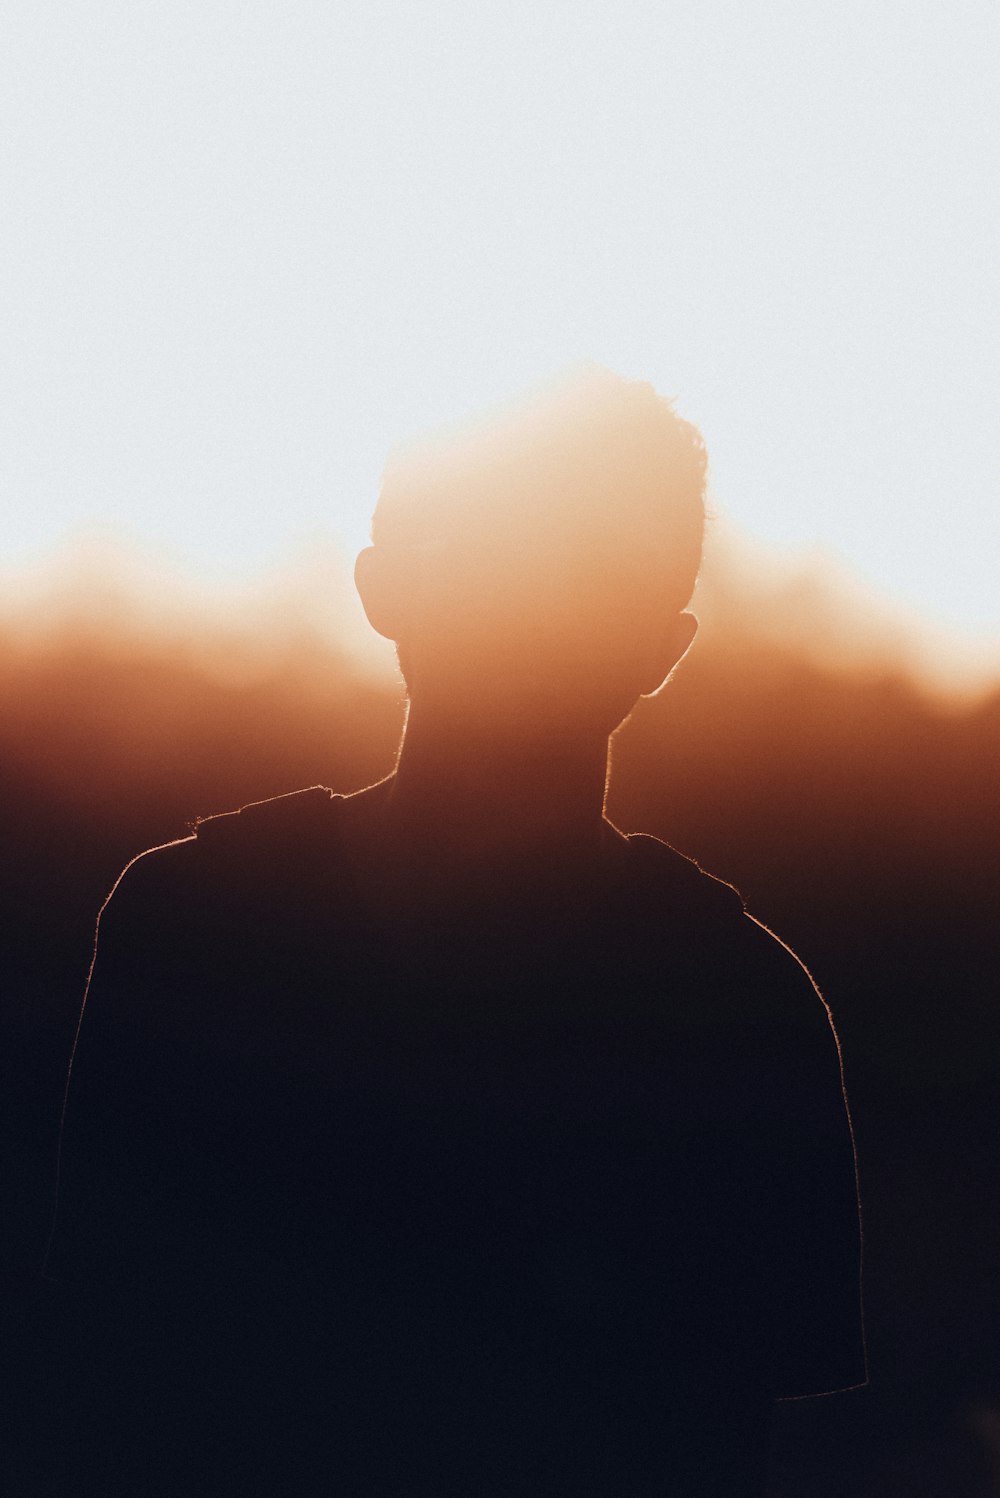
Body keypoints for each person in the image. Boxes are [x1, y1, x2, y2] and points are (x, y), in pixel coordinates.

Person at [46, 365, 865, 1495]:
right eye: (494, 566)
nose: (537, 619)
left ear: (661, 647)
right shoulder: (187, 930)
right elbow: (96, 1375)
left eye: (590, 579)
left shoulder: (741, 1008)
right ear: (383, 590)